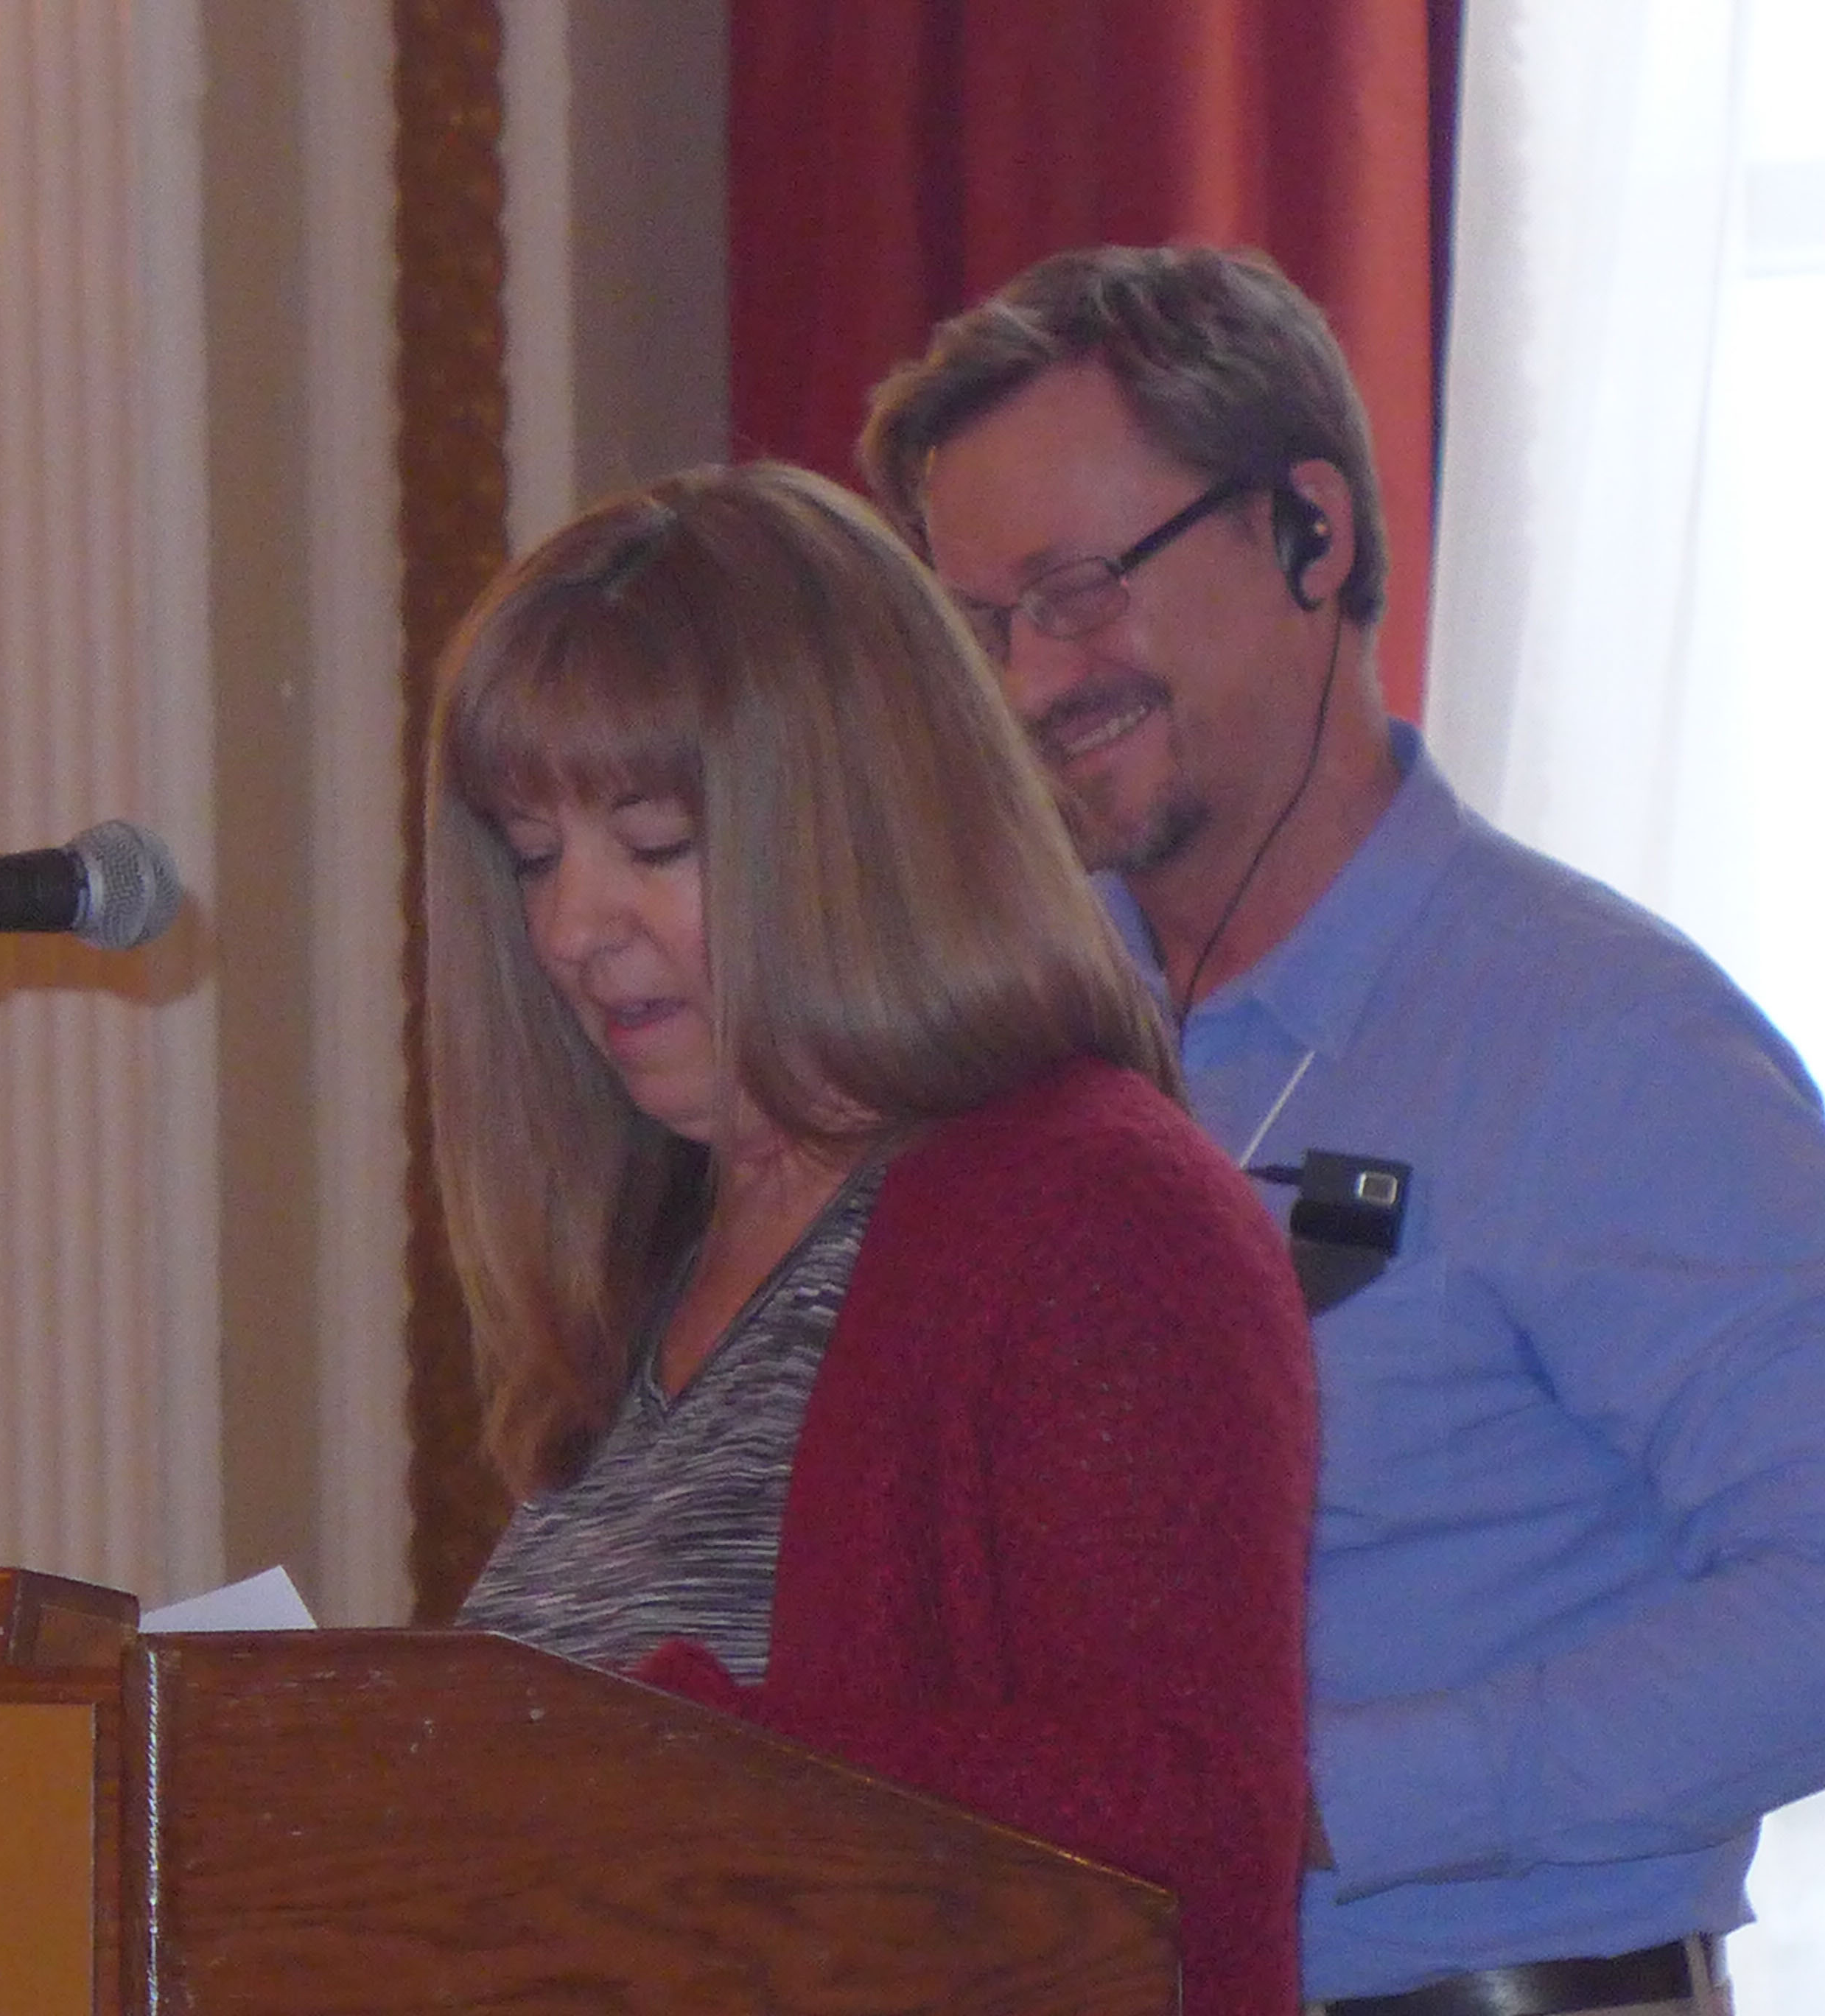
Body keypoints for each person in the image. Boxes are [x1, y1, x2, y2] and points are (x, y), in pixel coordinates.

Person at [861, 243, 1825, 2016]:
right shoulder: (1018, 1064)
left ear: (1309, 532)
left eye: (1079, 591)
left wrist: (1319, 1802)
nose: (1025, 686)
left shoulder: (1604, 1043)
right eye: (977, 626)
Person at [428, 460, 1318, 2016]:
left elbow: (1192, 1827)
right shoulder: (652, 1259)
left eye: (652, 839)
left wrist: (659, 1756)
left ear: (854, 822)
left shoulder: (1095, 1216)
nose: (575, 926)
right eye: (532, 853)